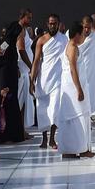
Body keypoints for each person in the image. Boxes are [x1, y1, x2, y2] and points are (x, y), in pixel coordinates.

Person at [56, 20, 95, 159]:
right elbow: (73, 69)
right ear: (77, 35)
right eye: (82, 34)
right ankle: (71, 149)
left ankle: (82, 148)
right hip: (73, 87)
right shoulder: (72, 47)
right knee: (75, 117)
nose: (84, 37)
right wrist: (79, 89)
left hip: (77, 85)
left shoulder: (74, 46)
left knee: (81, 116)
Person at [30, 13, 67, 149]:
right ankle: (44, 139)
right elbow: (36, 61)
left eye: (55, 23)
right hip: (43, 80)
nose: (52, 25)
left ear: (59, 24)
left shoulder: (64, 40)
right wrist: (31, 81)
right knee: (43, 111)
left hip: (58, 80)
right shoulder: (41, 40)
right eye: (50, 23)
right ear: (47, 24)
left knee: (55, 109)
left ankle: (52, 139)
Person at [0, 21, 26, 143]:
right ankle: (6, 136)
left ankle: (13, 135)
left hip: (11, 79)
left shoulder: (10, 44)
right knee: (7, 107)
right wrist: (3, 85)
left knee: (12, 106)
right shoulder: (6, 44)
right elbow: (1, 62)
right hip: (6, 81)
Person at [15, 9, 35, 131]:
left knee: (24, 102)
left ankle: (22, 129)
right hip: (22, 70)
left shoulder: (24, 30)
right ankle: (19, 130)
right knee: (20, 102)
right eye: (28, 17)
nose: (30, 20)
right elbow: (21, 50)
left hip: (25, 70)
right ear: (22, 17)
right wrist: (31, 66)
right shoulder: (20, 30)